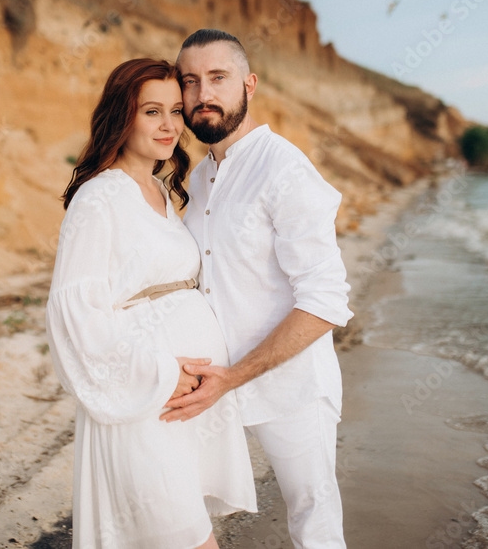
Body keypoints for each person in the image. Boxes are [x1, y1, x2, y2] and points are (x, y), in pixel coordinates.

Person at [45, 57, 257, 549]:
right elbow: (75, 313)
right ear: (123, 116)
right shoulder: (99, 199)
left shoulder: (161, 191)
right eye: (152, 112)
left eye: (175, 112)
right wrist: (159, 372)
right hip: (142, 398)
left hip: (182, 401)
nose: (169, 126)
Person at [165, 29, 353, 549]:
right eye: (191, 81)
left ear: (249, 84)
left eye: (218, 78)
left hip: (289, 386)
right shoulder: (199, 178)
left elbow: (325, 303)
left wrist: (235, 376)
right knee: (186, 510)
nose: (204, 94)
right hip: (213, 387)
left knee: (312, 519)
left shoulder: (285, 169)